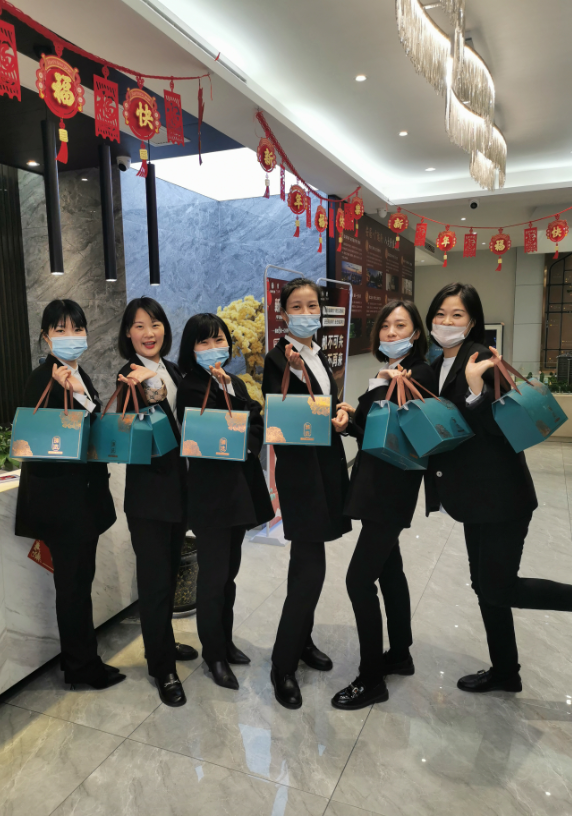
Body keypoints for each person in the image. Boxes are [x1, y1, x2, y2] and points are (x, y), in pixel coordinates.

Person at [425, 282, 572, 693]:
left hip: (502, 497)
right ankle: (506, 672)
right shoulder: (437, 364)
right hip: (473, 498)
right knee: (485, 586)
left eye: (457, 314)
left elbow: (505, 431)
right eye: (440, 314)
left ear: (473, 320)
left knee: (498, 586)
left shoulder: (482, 360)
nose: (446, 322)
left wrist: (476, 391)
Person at [331, 301, 437, 710]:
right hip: (379, 486)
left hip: (390, 491)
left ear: (416, 333)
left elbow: (402, 426)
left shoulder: (417, 373)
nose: (391, 333)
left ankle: (371, 678)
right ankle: (401, 654)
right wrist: (351, 419)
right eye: (386, 327)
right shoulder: (393, 371)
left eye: (401, 326)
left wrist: (377, 384)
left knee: (358, 581)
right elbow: (376, 430)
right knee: (390, 570)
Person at [15, 299, 124, 690]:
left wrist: (81, 393)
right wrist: (78, 396)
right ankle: (81, 668)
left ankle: (81, 660)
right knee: (74, 588)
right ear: (46, 338)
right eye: (60, 330)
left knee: (79, 584)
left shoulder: (79, 375)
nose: (71, 336)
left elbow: (93, 427)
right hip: (62, 507)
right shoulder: (41, 379)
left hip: (82, 502)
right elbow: (37, 440)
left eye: (77, 328)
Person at [262, 277, 351, 709]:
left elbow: (324, 408)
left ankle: (302, 641)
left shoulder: (318, 354)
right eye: (295, 306)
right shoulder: (277, 358)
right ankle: (282, 664)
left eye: (311, 305)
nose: (305, 312)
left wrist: (340, 415)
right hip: (301, 474)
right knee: (310, 570)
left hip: (326, 468)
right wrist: (294, 372)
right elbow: (281, 416)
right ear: (283, 314)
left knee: (307, 564)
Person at [176, 313, 274, 691]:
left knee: (229, 574)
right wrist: (236, 430)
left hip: (238, 491)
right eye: (203, 341)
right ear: (191, 348)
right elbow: (209, 431)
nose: (212, 347)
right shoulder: (189, 386)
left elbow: (255, 421)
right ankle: (213, 654)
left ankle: (226, 641)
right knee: (213, 579)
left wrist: (246, 443)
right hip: (210, 497)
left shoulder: (234, 382)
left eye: (218, 340)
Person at [116, 297, 198, 708]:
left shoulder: (173, 369)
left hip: (179, 491)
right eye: (139, 326)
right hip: (149, 498)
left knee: (168, 573)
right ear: (128, 334)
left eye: (156, 324)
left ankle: (160, 643)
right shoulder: (129, 377)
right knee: (154, 583)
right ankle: (161, 667)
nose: (149, 333)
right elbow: (140, 431)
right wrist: (146, 388)